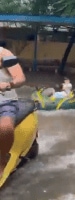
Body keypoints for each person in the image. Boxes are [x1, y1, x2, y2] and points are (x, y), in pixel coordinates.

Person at [0, 47, 26, 176]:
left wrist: (8, 85)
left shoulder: (4, 54)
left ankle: (2, 158)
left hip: (5, 101)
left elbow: (20, 78)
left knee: (5, 128)